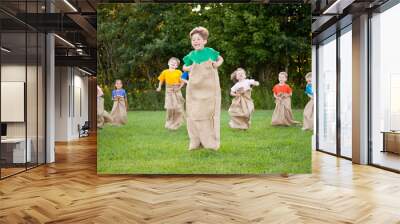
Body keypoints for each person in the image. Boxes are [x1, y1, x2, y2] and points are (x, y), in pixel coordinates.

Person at [182, 26, 224, 150]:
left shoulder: (210, 51)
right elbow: (184, 67)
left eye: (198, 39)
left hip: (209, 89)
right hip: (195, 89)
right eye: (193, 39)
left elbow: (220, 58)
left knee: (209, 113)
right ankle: (196, 141)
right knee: (194, 113)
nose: (196, 41)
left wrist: (217, 64)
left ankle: (210, 143)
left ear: (205, 41)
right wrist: (188, 68)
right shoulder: (191, 55)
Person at [156, 57, 185, 130]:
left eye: (175, 63)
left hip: (177, 90)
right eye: (171, 62)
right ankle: (169, 122)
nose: (173, 63)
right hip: (169, 90)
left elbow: (183, 81)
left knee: (178, 108)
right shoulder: (165, 72)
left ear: (176, 66)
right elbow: (161, 80)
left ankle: (176, 123)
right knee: (170, 107)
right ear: (168, 63)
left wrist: (179, 87)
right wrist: (159, 87)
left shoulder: (179, 72)